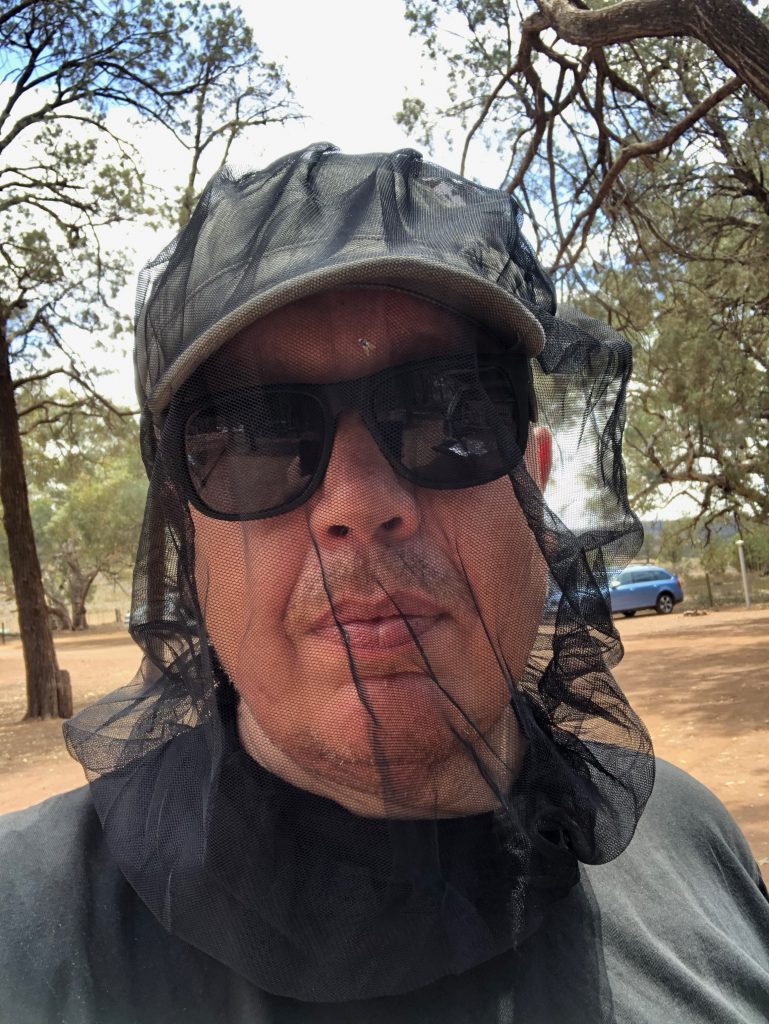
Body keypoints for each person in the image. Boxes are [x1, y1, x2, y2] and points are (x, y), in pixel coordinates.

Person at [1, 143, 767, 1023]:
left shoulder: (692, 843)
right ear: (186, 532)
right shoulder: (23, 929)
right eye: (254, 440)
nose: (359, 505)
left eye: (446, 413)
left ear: (533, 482)